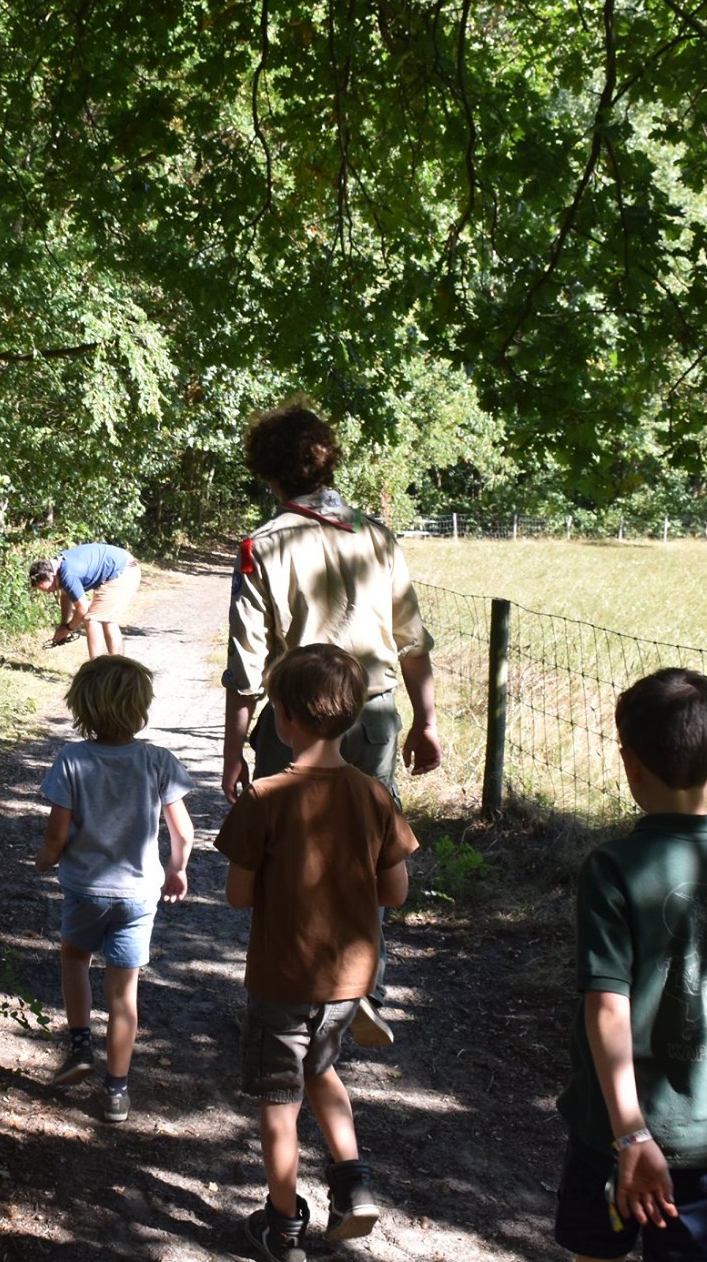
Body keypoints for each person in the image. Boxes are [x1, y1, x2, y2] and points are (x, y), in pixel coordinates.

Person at [221, 402, 442, 1047]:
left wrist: (235, 750)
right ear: (328, 459)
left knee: (281, 850)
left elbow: (245, 665)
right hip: (370, 715)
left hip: (289, 722)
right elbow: (412, 640)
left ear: (267, 475)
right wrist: (425, 720)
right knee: (366, 849)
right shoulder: (378, 537)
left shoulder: (262, 547)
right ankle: (360, 988)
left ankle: (290, 985)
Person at [555, 668, 707, 1262]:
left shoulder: (613, 867)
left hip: (613, 1129)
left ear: (629, 764)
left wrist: (631, 1132)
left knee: (596, 1253)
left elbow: (606, 1004)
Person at [216, 644, 419, 1260]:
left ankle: (283, 1226)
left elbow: (237, 897)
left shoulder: (266, 797)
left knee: (279, 1104)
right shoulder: (374, 795)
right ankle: (353, 1182)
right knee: (323, 1072)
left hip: (282, 980)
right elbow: (396, 891)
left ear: (281, 716)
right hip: (348, 985)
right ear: (356, 716)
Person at [34, 654, 196, 1124]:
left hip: (86, 888)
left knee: (75, 959)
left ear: (82, 705)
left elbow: (56, 834)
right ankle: (116, 1091)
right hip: (139, 894)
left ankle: (81, 1043)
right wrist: (176, 869)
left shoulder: (73, 759)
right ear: (140, 706)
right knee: (125, 992)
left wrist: (46, 859)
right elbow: (183, 832)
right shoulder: (158, 760)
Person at [29, 544, 141, 658]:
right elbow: (65, 595)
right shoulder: (57, 565)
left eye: (49, 589)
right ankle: (114, 668)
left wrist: (67, 630)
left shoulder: (68, 574)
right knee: (105, 620)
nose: (49, 592)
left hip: (123, 570)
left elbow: (82, 609)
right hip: (123, 566)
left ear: (51, 576)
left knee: (92, 619)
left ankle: (96, 670)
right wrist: (63, 625)